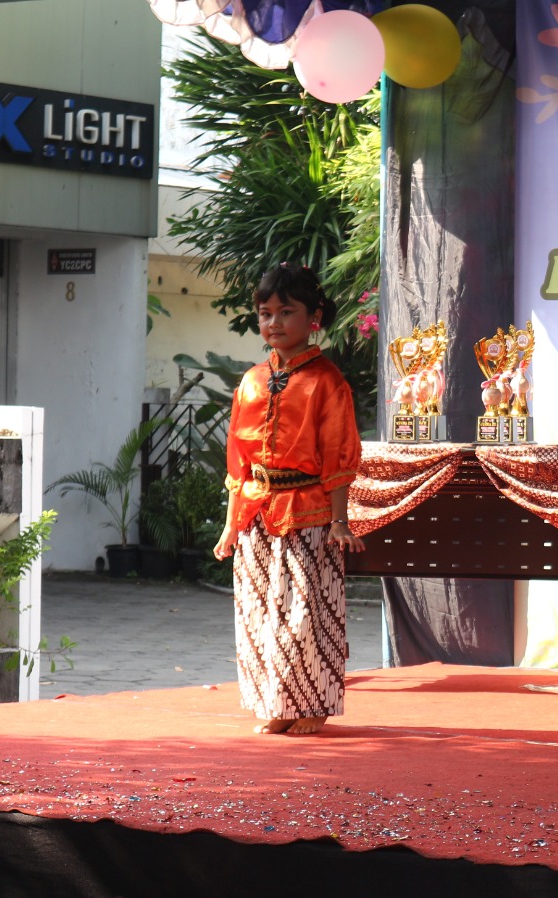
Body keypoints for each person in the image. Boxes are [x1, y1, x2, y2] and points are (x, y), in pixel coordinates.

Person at [214, 262, 364, 736]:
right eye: (265, 313)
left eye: (286, 311)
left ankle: (313, 704)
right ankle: (276, 702)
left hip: (310, 512)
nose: (274, 322)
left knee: (306, 613)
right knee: (260, 614)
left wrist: (340, 521)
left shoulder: (328, 382)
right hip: (258, 512)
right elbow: (237, 460)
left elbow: (339, 454)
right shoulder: (251, 381)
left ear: (313, 317)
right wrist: (229, 525)